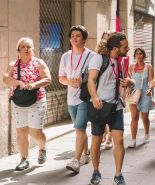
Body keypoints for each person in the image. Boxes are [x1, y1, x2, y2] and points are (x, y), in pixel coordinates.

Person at [88, 32, 132, 185]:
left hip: (116, 106)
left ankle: (118, 175)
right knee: (96, 140)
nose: (128, 49)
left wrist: (129, 82)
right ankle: (95, 171)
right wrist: (94, 97)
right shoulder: (98, 58)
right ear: (115, 48)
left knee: (119, 140)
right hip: (100, 106)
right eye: (125, 47)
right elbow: (91, 81)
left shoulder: (121, 62)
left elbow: (127, 79)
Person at [3, 37, 51, 170]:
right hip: (18, 101)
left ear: (32, 49)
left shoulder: (38, 63)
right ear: (18, 50)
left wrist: (34, 84)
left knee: (35, 132)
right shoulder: (13, 64)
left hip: (37, 100)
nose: (26, 49)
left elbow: (48, 79)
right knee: (21, 132)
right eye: (23, 46)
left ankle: (42, 148)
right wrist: (19, 83)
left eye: (28, 46)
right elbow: (5, 78)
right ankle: (24, 159)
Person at [59, 25, 92, 173]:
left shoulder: (91, 56)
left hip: (85, 97)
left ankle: (75, 161)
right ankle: (86, 153)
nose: (74, 38)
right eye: (72, 35)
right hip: (71, 98)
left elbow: (95, 76)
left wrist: (85, 80)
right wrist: (70, 82)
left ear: (84, 39)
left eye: (78, 35)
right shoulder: (66, 56)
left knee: (79, 128)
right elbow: (61, 78)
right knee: (81, 128)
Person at [127, 48, 154, 148]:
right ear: (135, 56)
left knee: (144, 117)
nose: (139, 55)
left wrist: (150, 89)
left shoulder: (149, 67)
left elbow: (151, 81)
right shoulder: (131, 66)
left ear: (144, 55)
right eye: (137, 54)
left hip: (145, 93)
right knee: (134, 117)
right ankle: (133, 140)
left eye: (141, 53)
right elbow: (129, 80)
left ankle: (146, 133)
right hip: (134, 93)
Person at [95, 31, 113, 150]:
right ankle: (103, 134)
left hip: (110, 92)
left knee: (109, 116)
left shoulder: (115, 57)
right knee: (101, 115)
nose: (105, 41)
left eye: (107, 39)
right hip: (99, 90)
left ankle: (109, 138)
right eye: (103, 38)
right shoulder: (97, 56)